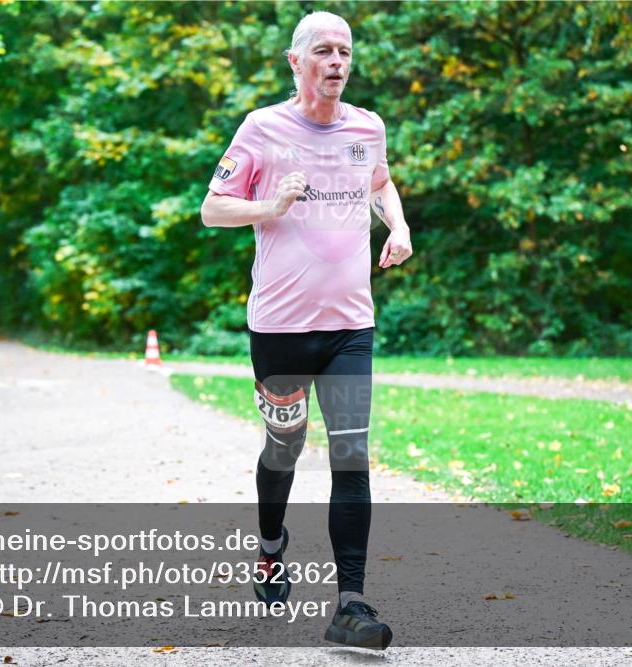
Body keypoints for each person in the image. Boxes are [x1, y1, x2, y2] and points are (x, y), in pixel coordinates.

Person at [200, 11, 411, 650]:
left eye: (345, 51)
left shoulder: (367, 127)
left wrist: (396, 226)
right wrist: (270, 205)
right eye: (323, 50)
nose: (337, 62)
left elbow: (379, 181)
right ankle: (271, 547)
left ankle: (351, 604)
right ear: (296, 62)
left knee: (351, 454)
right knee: (284, 449)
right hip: (281, 328)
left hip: (350, 324)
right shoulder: (263, 128)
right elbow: (212, 209)